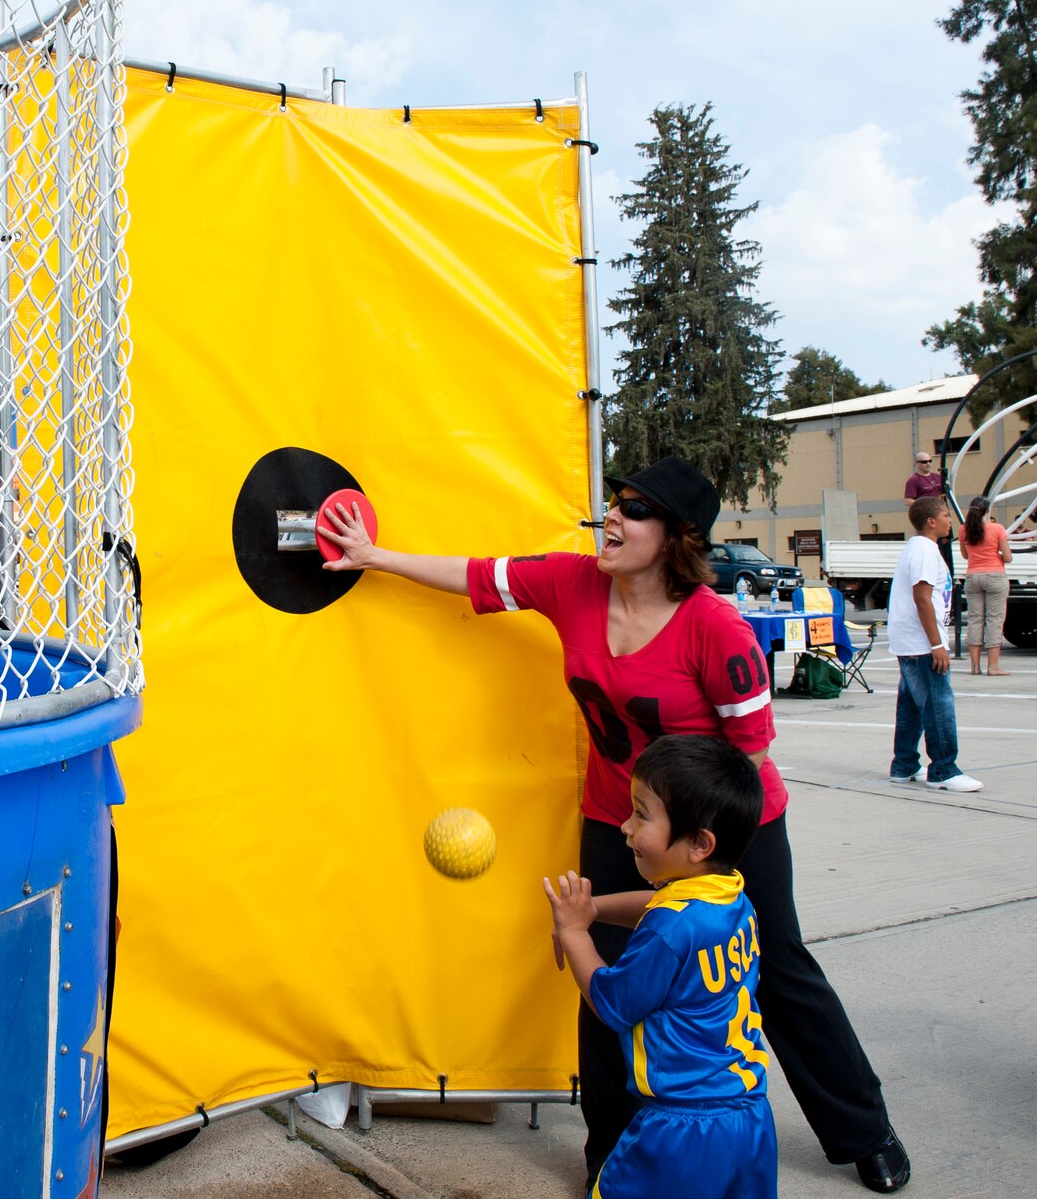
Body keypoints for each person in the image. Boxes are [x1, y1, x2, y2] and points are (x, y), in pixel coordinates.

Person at [320, 456, 909, 1193]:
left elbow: (750, 761)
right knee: (601, 970)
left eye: (635, 510)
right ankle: (615, 1150)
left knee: (778, 967)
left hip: (728, 822)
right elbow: (475, 574)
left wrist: (709, 860)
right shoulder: (573, 584)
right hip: (617, 813)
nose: (614, 518)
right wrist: (374, 556)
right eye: (615, 504)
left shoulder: (715, 629)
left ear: (675, 537)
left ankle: (862, 1128)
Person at [546, 735, 778, 1199]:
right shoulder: (733, 900)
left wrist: (574, 934)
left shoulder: (668, 932)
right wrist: (592, 910)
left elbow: (612, 1003)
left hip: (680, 1128)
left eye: (642, 814)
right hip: (750, 1118)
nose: (625, 827)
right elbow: (658, 907)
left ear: (698, 843)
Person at [887, 497, 981, 791]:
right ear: (931, 521)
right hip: (921, 643)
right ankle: (943, 769)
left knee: (911, 706)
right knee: (938, 704)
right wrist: (937, 644)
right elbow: (922, 598)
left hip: (909, 641)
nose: (949, 520)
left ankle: (904, 765)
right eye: (944, 515)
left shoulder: (916, 547)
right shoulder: (926, 551)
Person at [958, 496, 1011, 677]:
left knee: (975, 619)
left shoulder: (964, 530)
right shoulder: (997, 529)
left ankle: (974, 666)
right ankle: (993, 666)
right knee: (994, 620)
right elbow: (1008, 556)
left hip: (973, 576)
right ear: (987, 512)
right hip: (995, 575)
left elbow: (965, 555)